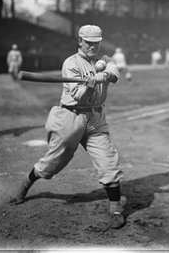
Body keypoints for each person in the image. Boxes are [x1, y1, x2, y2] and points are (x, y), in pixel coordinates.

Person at [11, 25, 126, 229]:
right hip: (70, 117)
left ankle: (115, 209)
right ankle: (25, 185)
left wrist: (105, 75)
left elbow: (114, 73)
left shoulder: (105, 60)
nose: (92, 46)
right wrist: (89, 86)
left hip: (96, 119)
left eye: (96, 42)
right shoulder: (70, 63)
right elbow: (79, 98)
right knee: (53, 163)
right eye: (88, 42)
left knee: (108, 161)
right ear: (80, 41)